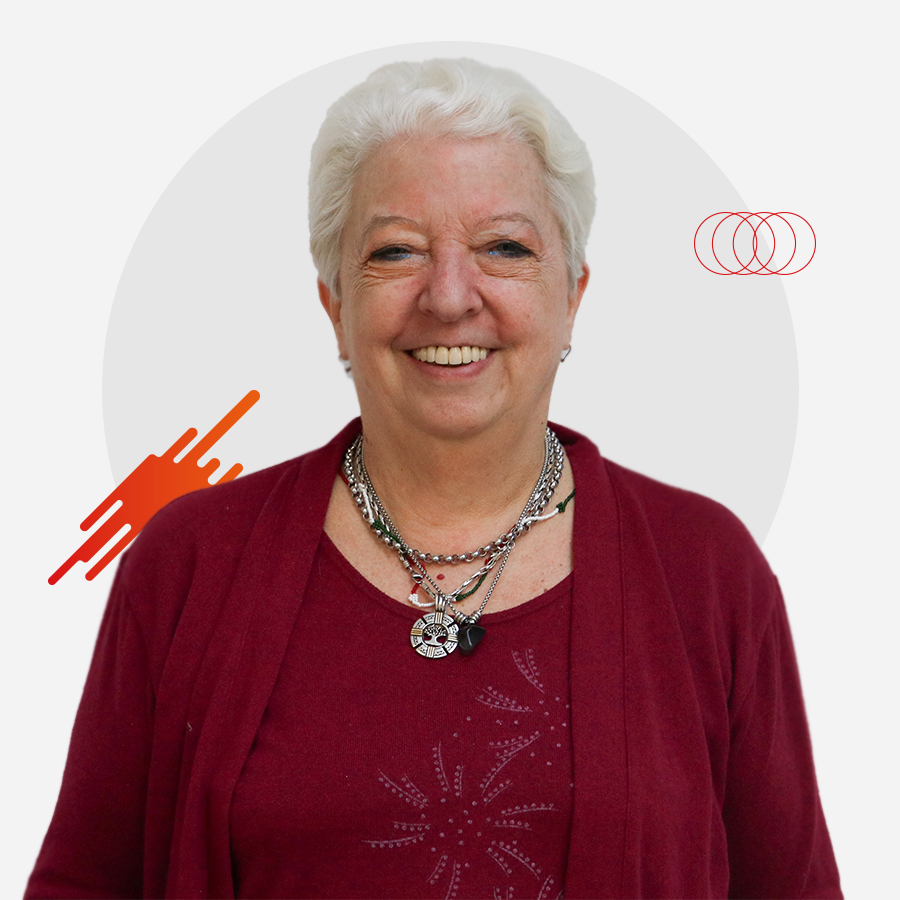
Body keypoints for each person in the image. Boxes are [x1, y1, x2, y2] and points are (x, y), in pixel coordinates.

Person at [25, 58, 841, 899]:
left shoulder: (704, 570)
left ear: (571, 296)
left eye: (504, 247)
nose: (450, 298)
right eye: (396, 251)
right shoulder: (190, 564)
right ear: (335, 306)